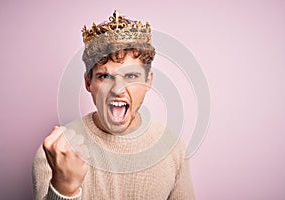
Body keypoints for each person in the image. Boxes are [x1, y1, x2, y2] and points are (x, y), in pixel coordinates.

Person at [32, 10, 195, 200]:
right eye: (105, 76)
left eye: (131, 76)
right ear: (88, 83)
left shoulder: (172, 147)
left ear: (148, 81)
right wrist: (64, 188)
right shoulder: (56, 152)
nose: (118, 90)